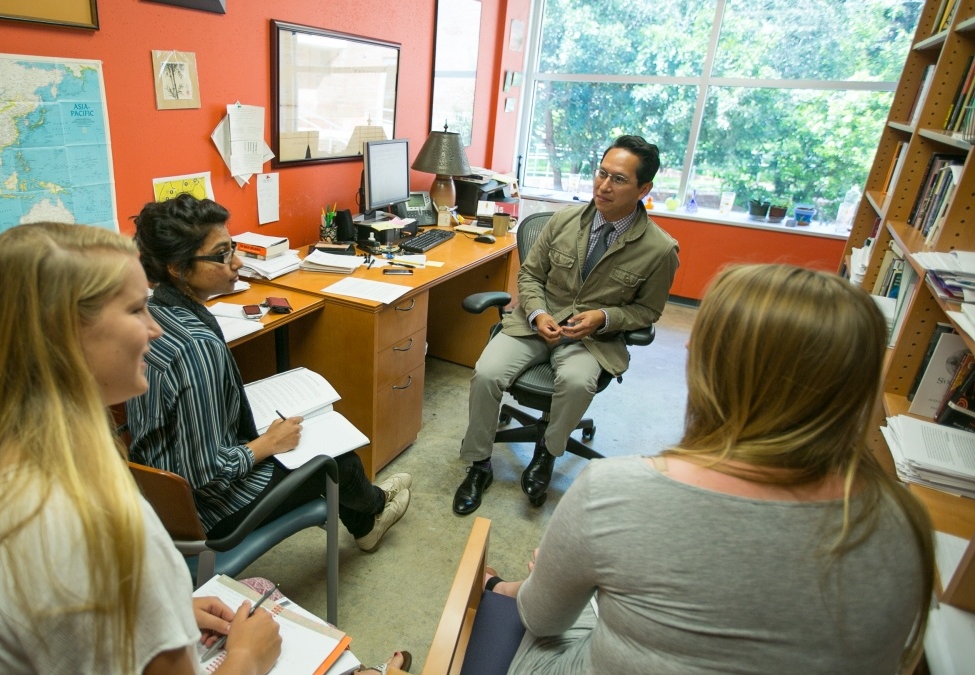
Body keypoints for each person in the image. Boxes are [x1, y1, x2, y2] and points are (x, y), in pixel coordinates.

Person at [0, 222, 409, 675]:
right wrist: (246, 659)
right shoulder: (106, 525)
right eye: (136, 310)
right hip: (217, 507)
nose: (155, 328)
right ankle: (371, 515)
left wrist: (161, 608)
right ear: (65, 337)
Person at [483, 264, 934, 674]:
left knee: (559, 594)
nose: (692, 343)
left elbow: (540, 619)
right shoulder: (902, 522)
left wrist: (551, 579)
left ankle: (500, 588)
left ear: (715, 369)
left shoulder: (616, 492)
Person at [127, 195, 411, 553]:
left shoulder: (152, 312)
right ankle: (373, 514)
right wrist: (266, 445)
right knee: (340, 460)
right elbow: (207, 475)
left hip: (159, 491)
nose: (238, 262)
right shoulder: (196, 347)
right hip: (208, 509)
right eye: (222, 255)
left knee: (306, 436)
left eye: (232, 248)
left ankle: (371, 507)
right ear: (176, 267)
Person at [453, 134, 680, 515]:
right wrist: (539, 313)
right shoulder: (563, 220)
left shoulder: (659, 249)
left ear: (644, 188)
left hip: (591, 340)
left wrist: (604, 318)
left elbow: (648, 312)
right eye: (601, 173)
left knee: (576, 382)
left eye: (618, 180)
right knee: (487, 373)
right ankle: (479, 464)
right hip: (534, 324)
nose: (603, 186)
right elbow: (529, 276)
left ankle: (547, 453)